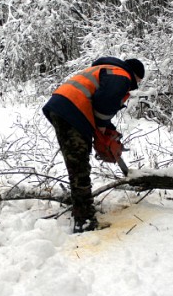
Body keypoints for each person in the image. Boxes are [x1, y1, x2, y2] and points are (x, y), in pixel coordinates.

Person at [43, 56, 145, 233]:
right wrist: (102, 129)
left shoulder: (107, 70)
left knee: (77, 163)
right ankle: (84, 221)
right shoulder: (122, 76)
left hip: (63, 106)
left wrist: (108, 130)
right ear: (135, 75)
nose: (136, 84)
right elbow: (105, 103)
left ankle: (83, 209)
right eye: (138, 81)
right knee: (79, 167)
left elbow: (97, 104)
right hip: (72, 109)